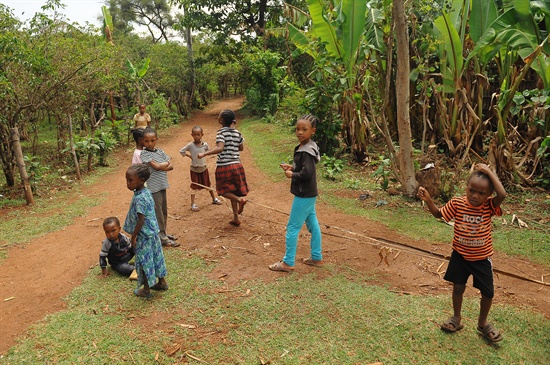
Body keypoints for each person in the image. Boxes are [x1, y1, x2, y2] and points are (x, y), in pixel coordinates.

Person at [417, 163, 507, 343]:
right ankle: (456, 319)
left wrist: (489, 171)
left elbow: (503, 194)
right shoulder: (458, 203)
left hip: (481, 259)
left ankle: (482, 324)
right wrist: (428, 201)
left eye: (481, 193)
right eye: (472, 190)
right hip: (459, 255)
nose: (475, 195)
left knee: (488, 293)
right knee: (458, 287)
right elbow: (439, 214)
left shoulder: (489, 206)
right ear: (466, 188)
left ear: (489, 195)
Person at [269, 114, 323, 273]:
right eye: (298, 129)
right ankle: (316, 257)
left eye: (304, 129)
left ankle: (288, 262)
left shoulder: (307, 151)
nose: (300, 132)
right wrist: (292, 168)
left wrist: (293, 175)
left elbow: (308, 174)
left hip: (304, 194)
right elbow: (304, 170)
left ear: (313, 131)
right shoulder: (305, 147)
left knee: (292, 227)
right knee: (313, 225)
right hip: (309, 194)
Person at [123, 164, 169, 298]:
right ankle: (161, 282)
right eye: (126, 180)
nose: (128, 183)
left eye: (130, 180)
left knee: (144, 261)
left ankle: (146, 289)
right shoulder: (146, 192)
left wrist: (133, 236)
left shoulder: (139, 198)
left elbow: (141, 220)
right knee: (156, 257)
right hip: (153, 233)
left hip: (144, 236)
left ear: (141, 180)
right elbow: (153, 207)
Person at [198, 110, 249, 226]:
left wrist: (205, 154)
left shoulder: (221, 133)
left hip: (225, 166)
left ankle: (240, 200)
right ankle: (236, 218)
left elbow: (220, 148)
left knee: (222, 191)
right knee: (233, 190)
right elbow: (241, 148)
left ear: (221, 120)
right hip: (237, 165)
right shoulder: (237, 133)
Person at [140, 127, 180, 247]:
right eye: (147, 141)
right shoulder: (144, 153)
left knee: (164, 212)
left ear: (156, 139)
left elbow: (171, 166)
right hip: (153, 188)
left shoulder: (160, 151)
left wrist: (161, 165)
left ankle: (163, 233)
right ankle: (162, 238)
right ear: (142, 141)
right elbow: (157, 167)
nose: (150, 143)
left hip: (162, 186)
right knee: (158, 214)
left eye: (152, 140)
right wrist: (164, 165)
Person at [179, 125, 223, 211]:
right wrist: (190, 156)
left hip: (203, 168)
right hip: (194, 169)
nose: (197, 136)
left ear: (202, 135)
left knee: (208, 185)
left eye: (198, 134)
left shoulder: (205, 145)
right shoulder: (190, 145)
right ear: (192, 135)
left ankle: (214, 199)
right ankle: (192, 204)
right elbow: (181, 151)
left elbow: (208, 151)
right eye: (195, 135)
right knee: (194, 186)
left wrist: (205, 154)